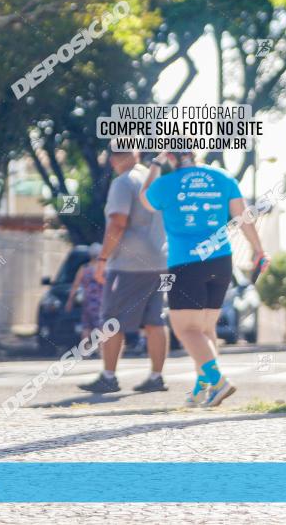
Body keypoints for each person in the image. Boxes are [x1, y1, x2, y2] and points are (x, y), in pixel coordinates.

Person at [140, 150, 268, 407]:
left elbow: (144, 198)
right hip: (221, 262)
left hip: (186, 263)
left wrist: (155, 164)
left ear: (171, 157)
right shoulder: (223, 177)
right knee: (205, 329)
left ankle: (218, 381)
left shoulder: (166, 183)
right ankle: (203, 388)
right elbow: (244, 218)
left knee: (186, 329)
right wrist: (259, 250)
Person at [80, 150, 170, 394]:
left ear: (111, 159)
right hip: (160, 260)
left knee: (111, 319)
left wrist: (103, 258)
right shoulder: (153, 179)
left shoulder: (123, 182)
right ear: (136, 154)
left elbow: (118, 222)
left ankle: (108, 377)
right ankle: (156, 377)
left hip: (129, 264)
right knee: (154, 319)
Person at [65, 243, 104, 344]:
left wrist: (70, 301)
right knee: (101, 327)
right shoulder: (103, 268)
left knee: (86, 327)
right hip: (101, 302)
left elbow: (75, 285)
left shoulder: (84, 268)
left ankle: (84, 351)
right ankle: (102, 350)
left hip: (87, 301)